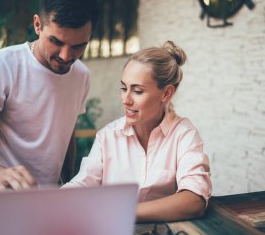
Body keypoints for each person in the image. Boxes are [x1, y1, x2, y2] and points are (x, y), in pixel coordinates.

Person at [0, 0, 98, 192]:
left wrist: (68, 187)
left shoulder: (81, 75)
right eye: (56, 41)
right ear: (38, 25)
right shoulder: (0, 65)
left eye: (78, 46)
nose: (66, 56)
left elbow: (66, 135)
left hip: (45, 206)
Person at [63, 41, 212, 222]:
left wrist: (123, 212)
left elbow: (194, 200)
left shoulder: (184, 134)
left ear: (166, 94)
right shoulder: (107, 136)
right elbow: (84, 183)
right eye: (124, 88)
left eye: (138, 91)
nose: (125, 100)